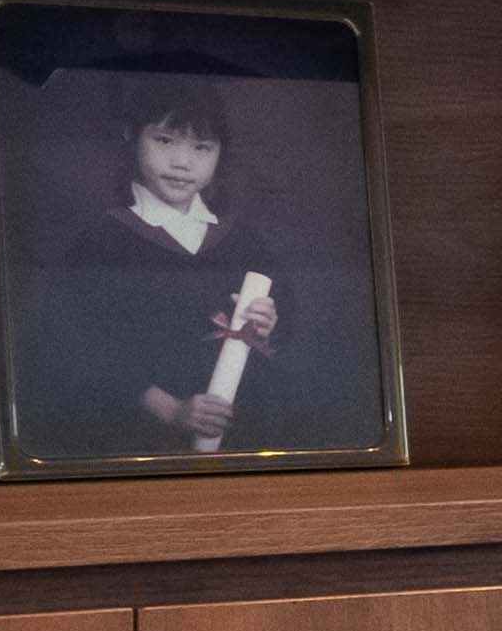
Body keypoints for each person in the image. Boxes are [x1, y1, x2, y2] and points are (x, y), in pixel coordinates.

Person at [27, 80, 343, 459]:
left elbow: (286, 317)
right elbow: (75, 347)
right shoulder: (103, 241)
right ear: (132, 135)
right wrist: (170, 409)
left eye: (201, 147)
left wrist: (270, 320)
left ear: (219, 153)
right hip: (139, 441)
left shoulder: (239, 241)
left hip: (244, 434)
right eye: (165, 141)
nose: (182, 162)